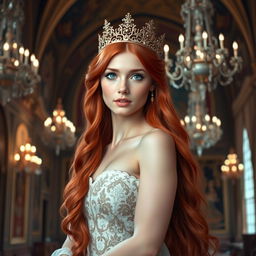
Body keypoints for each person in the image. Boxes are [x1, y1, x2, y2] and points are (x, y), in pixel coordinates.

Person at [52, 13, 218, 256]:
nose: (122, 88)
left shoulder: (155, 142)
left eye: (136, 76)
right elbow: (76, 232)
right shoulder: (95, 148)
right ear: (99, 82)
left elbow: (146, 244)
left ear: (152, 84)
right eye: (112, 75)